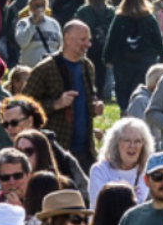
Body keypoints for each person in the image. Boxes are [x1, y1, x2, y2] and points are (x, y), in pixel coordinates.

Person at [21, 19, 103, 168]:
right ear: (67, 38)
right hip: (55, 151)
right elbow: (23, 106)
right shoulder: (45, 69)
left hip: (86, 151)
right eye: (83, 40)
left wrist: (94, 107)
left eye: (88, 40)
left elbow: (89, 99)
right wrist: (56, 104)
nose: (88, 44)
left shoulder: (88, 67)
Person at [85, 116, 154, 203]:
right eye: (127, 140)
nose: (132, 146)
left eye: (137, 141)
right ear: (116, 143)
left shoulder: (147, 173)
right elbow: (100, 206)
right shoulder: (100, 170)